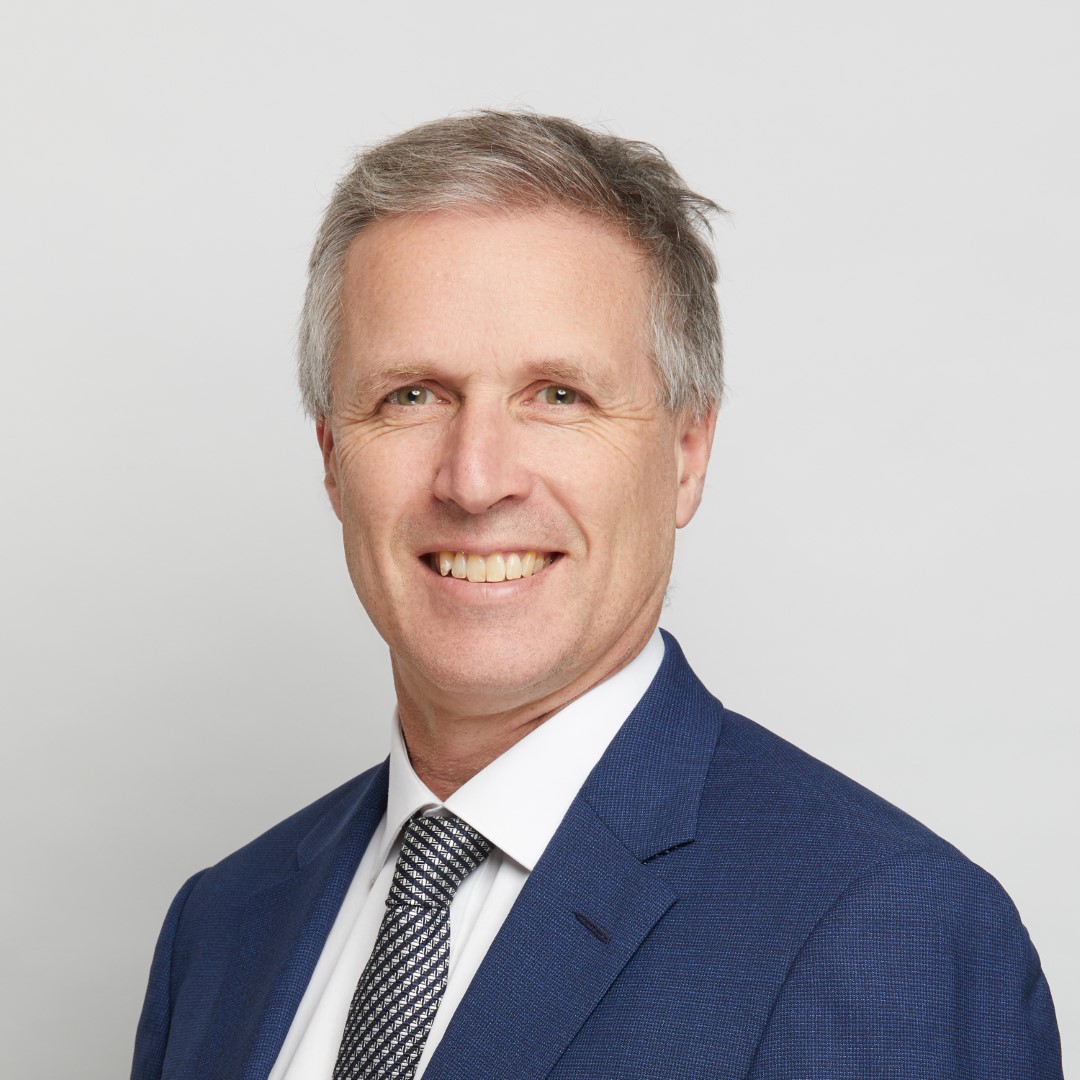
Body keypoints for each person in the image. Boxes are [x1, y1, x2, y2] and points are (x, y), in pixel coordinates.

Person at [131, 111, 1063, 1080]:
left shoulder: (887, 932)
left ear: (688, 453)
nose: (475, 479)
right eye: (412, 395)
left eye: (558, 396)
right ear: (332, 455)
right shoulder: (222, 929)